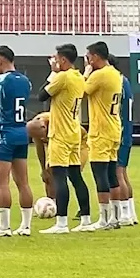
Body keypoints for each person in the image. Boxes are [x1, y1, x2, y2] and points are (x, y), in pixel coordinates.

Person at [41, 44, 93, 234]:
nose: (54, 61)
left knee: (59, 177)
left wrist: (52, 73)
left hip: (60, 134)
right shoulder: (79, 77)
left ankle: (61, 223)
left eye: (56, 58)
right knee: (76, 176)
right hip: (74, 131)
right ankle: (85, 219)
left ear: (63, 60)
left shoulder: (62, 77)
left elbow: (41, 96)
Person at [0, 46, 35, 237]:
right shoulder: (25, 80)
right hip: (21, 131)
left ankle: (4, 227)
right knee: (23, 181)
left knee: (1, 182)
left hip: (4, 133)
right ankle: (26, 225)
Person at [83, 41, 123, 231]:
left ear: (96, 56)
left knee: (100, 174)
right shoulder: (116, 74)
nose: (88, 60)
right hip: (114, 128)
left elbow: (81, 90)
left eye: (89, 57)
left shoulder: (99, 75)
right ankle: (116, 216)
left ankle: (104, 219)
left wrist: (86, 71)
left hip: (101, 131)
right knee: (111, 173)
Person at [110, 56, 137, 226]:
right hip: (127, 132)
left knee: (117, 173)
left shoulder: (116, 82)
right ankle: (131, 212)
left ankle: (124, 214)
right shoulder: (125, 81)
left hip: (119, 132)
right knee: (123, 173)